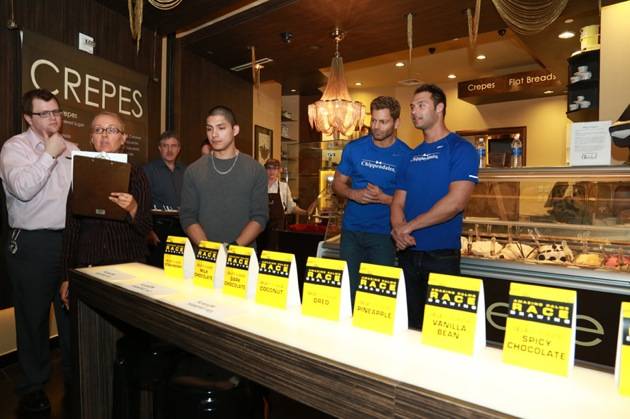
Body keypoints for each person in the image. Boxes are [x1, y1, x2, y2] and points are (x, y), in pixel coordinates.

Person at [0, 89, 77, 413]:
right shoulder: (14, 148)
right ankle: (33, 386)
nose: (53, 118)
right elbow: (23, 189)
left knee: (72, 317)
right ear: (28, 118)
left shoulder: (73, 149)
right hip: (31, 244)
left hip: (69, 242)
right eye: (44, 113)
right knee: (32, 320)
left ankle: (77, 381)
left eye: (56, 111)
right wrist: (49, 153)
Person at [391, 84, 479, 330]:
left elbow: (456, 202)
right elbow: (398, 201)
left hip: (441, 256)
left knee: (443, 331)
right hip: (407, 254)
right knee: (408, 328)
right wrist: (399, 230)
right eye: (412, 107)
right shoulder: (410, 155)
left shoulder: (461, 149)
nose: (414, 111)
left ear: (439, 108)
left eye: (421, 105)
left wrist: (408, 227)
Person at [61, 111, 152, 302]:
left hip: (128, 269)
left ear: (123, 138)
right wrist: (66, 276)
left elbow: (146, 227)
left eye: (111, 130)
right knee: (90, 330)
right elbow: (71, 229)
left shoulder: (137, 175)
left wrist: (134, 209)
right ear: (91, 138)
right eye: (98, 130)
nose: (104, 135)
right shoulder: (80, 174)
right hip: (88, 267)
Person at [332, 96, 411, 308]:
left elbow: (412, 200)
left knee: (378, 298)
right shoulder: (354, 148)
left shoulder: (406, 155)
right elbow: (337, 184)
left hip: (384, 235)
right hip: (351, 232)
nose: (376, 127)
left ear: (396, 123)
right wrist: (353, 194)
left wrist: (384, 198)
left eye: (383, 122)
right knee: (348, 294)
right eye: (373, 120)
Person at [180, 106, 268, 247]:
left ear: (235, 130)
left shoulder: (255, 169)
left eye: (221, 128)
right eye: (209, 129)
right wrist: (210, 250)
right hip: (204, 258)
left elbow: (259, 217)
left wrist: (233, 247)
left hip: (241, 257)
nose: (214, 134)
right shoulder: (193, 170)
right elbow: (187, 216)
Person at [143, 131, 186, 267]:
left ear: (179, 149)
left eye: (173, 146)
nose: (169, 150)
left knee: (179, 271)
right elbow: (142, 202)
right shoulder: (148, 170)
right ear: (159, 148)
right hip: (158, 229)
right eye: (165, 146)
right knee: (157, 271)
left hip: (182, 229)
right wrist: (148, 230)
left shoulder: (186, 171)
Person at [258, 158, 308, 251]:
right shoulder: (259, 185)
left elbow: (291, 207)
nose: (271, 171)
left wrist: (305, 212)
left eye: (275, 168)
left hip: (277, 229)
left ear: (279, 171)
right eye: (269, 168)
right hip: (260, 227)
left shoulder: (283, 187)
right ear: (265, 170)